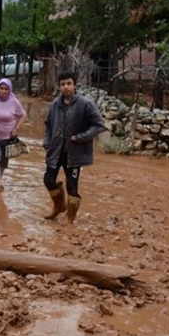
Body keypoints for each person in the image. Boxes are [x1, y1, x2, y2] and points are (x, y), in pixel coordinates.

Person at [42, 70, 105, 224]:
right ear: (59, 86)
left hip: (75, 153)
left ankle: (70, 218)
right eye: (62, 84)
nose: (66, 87)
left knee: (72, 186)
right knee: (48, 179)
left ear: (74, 85)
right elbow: (48, 126)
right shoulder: (56, 104)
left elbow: (98, 125)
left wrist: (81, 137)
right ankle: (59, 205)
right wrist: (47, 142)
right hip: (56, 151)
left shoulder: (85, 104)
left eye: (69, 84)